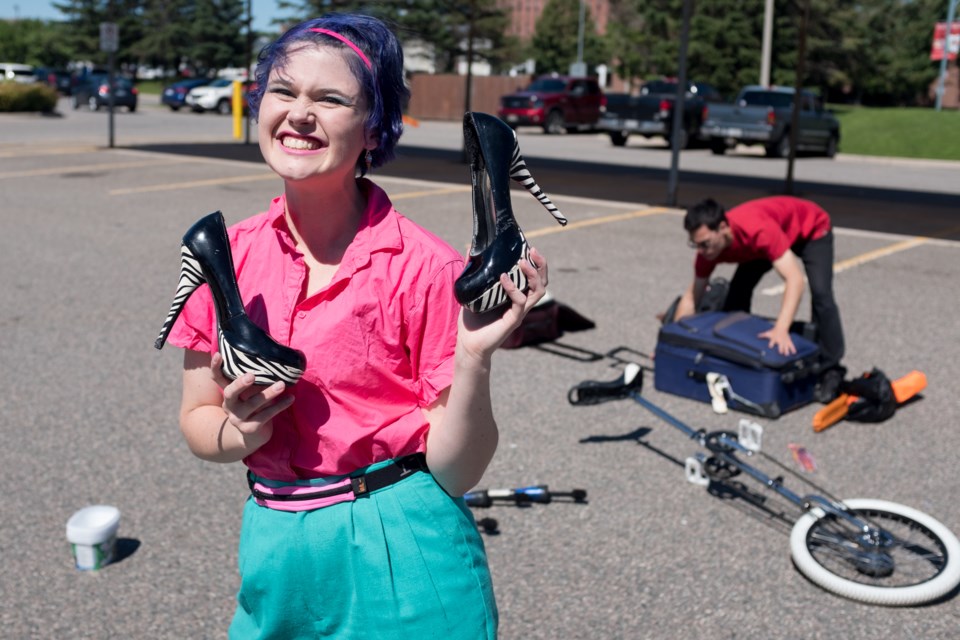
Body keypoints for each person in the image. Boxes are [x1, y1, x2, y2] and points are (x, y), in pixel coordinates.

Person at [163, 14, 546, 638]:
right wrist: (241, 429)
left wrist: (475, 356)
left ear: (373, 130)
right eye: (283, 92)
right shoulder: (221, 257)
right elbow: (196, 424)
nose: (298, 113)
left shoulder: (426, 267)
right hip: (276, 543)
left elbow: (457, 471)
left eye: (330, 99)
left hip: (403, 541)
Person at [674, 196, 845, 401]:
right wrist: (675, 342)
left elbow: (795, 279)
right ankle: (736, 353)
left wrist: (781, 329)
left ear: (722, 227)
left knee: (821, 294)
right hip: (763, 243)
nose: (701, 251)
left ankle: (831, 367)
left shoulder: (758, 230)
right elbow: (692, 296)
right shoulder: (709, 250)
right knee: (737, 293)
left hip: (812, 229)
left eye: (705, 244)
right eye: (696, 245)